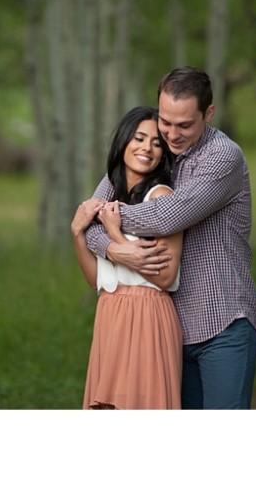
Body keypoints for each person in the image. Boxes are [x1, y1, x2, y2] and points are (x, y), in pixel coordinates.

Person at [85, 66, 256, 410]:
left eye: (184, 125)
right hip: (169, 331)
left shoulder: (223, 157)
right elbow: (88, 216)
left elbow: (169, 215)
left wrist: (109, 219)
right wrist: (116, 249)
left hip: (222, 324)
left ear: (208, 114)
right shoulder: (154, 150)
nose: (172, 134)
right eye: (166, 122)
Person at [71, 106, 184, 409]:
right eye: (139, 138)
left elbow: (166, 276)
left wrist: (116, 235)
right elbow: (97, 279)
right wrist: (77, 234)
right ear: (123, 142)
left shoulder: (162, 198)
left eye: (156, 142)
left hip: (147, 314)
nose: (147, 148)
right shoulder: (111, 195)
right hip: (110, 311)